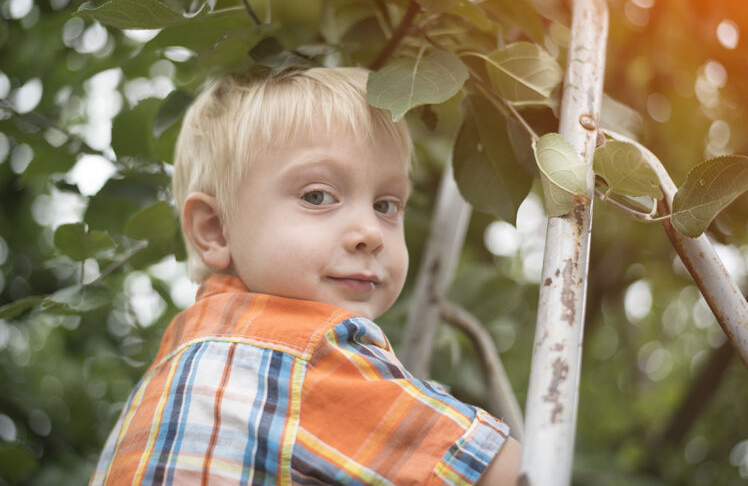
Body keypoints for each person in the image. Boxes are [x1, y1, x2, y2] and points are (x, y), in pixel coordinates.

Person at [90, 66, 521, 485]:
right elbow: (510, 475)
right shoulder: (302, 354)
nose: (370, 233)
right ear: (215, 229)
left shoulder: (179, 362)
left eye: (386, 205)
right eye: (318, 196)